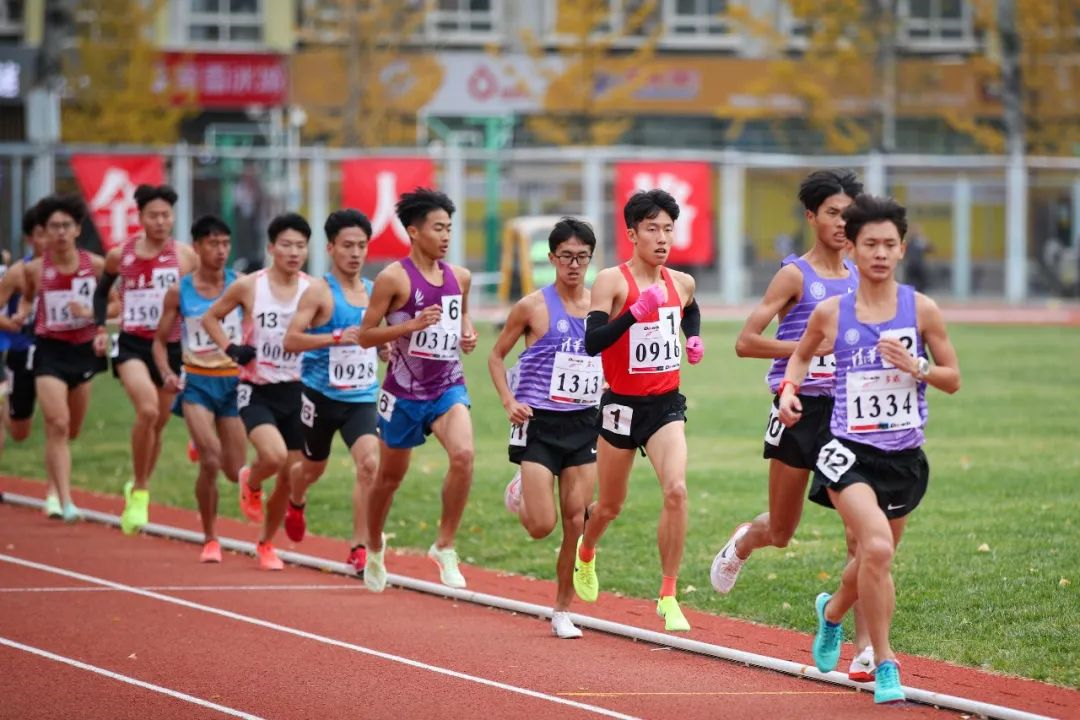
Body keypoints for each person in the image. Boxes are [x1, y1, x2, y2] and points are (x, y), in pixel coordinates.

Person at [777, 194, 960, 704]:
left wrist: (916, 366)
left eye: (889, 244)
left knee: (875, 560)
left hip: (903, 457)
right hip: (847, 452)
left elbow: (953, 378)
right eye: (870, 244)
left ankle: (832, 611)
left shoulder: (922, 310)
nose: (880, 253)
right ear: (852, 249)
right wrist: (789, 392)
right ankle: (885, 662)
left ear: (902, 249)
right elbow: (799, 358)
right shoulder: (832, 313)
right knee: (875, 549)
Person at [711, 169, 876, 680]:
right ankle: (744, 540)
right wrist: (806, 348)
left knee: (861, 535)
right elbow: (745, 342)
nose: (842, 223)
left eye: (849, 214)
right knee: (782, 531)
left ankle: (865, 650)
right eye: (832, 213)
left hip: (848, 414)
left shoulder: (862, 275)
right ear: (811, 216)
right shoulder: (794, 276)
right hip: (796, 408)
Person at [573, 189, 704, 632]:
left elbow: (691, 310)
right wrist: (633, 313)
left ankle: (668, 595)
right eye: (652, 229)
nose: (662, 238)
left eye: (668, 229)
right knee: (610, 506)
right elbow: (592, 343)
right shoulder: (611, 281)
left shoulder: (681, 282)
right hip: (621, 408)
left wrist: (692, 337)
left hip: (665, 406)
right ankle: (586, 550)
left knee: (677, 491)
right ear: (632, 234)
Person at [356, 187, 478, 592]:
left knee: (464, 455)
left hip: (447, 386)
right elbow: (365, 335)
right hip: (403, 393)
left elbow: (461, 318)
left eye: (449, 228)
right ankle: (374, 545)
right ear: (413, 231)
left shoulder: (460, 277)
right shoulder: (393, 278)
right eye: (438, 228)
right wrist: (409, 326)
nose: (446, 236)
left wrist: (466, 333)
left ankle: (444, 546)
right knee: (389, 479)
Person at [488, 217, 601, 639]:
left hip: (584, 423)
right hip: (538, 424)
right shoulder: (532, 307)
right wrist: (508, 401)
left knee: (576, 521)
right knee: (541, 526)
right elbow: (496, 357)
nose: (574, 265)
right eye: (566, 256)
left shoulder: (601, 308)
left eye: (582, 257)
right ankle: (521, 487)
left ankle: (562, 609)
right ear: (552, 258)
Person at [203, 213, 312, 571]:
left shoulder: (313, 290)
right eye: (286, 245)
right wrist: (231, 348)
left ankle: (266, 543)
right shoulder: (250, 286)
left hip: (297, 390)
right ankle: (250, 479)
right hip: (257, 388)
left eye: (300, 246)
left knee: (289, 476)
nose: (293, 252)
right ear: (271, 248)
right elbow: (210, 318)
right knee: (274, 456)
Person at [282, 209, 385, 576]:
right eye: (347, 246)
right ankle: (296, 499)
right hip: (320, 397)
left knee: (369, 464)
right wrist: (336, 337)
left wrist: (385, 349)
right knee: (312, 468)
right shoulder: (318, 292)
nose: (355, 253)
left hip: (361, 398)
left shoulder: (374, 292)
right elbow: (291, 340)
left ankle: (359, 547)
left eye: (361, 246)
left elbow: (377, 341)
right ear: (330, 248)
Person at [93, 184, 197, 535]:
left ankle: (140, 483)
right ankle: (139, 490)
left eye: (166, 215)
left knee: (158, 424)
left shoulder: (185, 257)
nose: (161, 221)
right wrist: (98, 327)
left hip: (171, 348)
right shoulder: (119, 255)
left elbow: (205, 293)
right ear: (140, 217)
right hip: (133, 345)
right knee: (148, 411)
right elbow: (101, 293)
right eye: (154, 215)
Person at [152, 215, 247, 563]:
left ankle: (201, 438)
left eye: (226, 243)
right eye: (213, 243)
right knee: (211, 459)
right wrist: (166, 372)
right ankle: (210, 538)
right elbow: (159, 342)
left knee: (235, 471)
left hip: (233, 383)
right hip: (196, 382)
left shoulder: (241, 285)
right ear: (197, 247)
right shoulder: (180, 291)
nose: (221, 250)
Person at [20, 195, 108, 521]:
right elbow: (24, 300)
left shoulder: (96, 266)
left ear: (77, 229)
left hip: (83, 352)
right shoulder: (34, 270)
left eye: (66, 225)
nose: (59, 232)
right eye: (53, 226)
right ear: (44, 231)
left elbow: (115, 303)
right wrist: (20, 315)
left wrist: (92, 315)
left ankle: (53, 485)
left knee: (70, 430)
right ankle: (63, 499)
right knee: (57, 423)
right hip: (49, 351)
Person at [0, 206, 47, 451]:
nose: (49, 239)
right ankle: (5, 409)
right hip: (22, 350)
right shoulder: (17, 272)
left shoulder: (73, 268)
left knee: (59, 420)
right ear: (30, 239)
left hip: (58, 351)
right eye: (41, 234)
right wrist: (11, 323)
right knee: (20, 432)